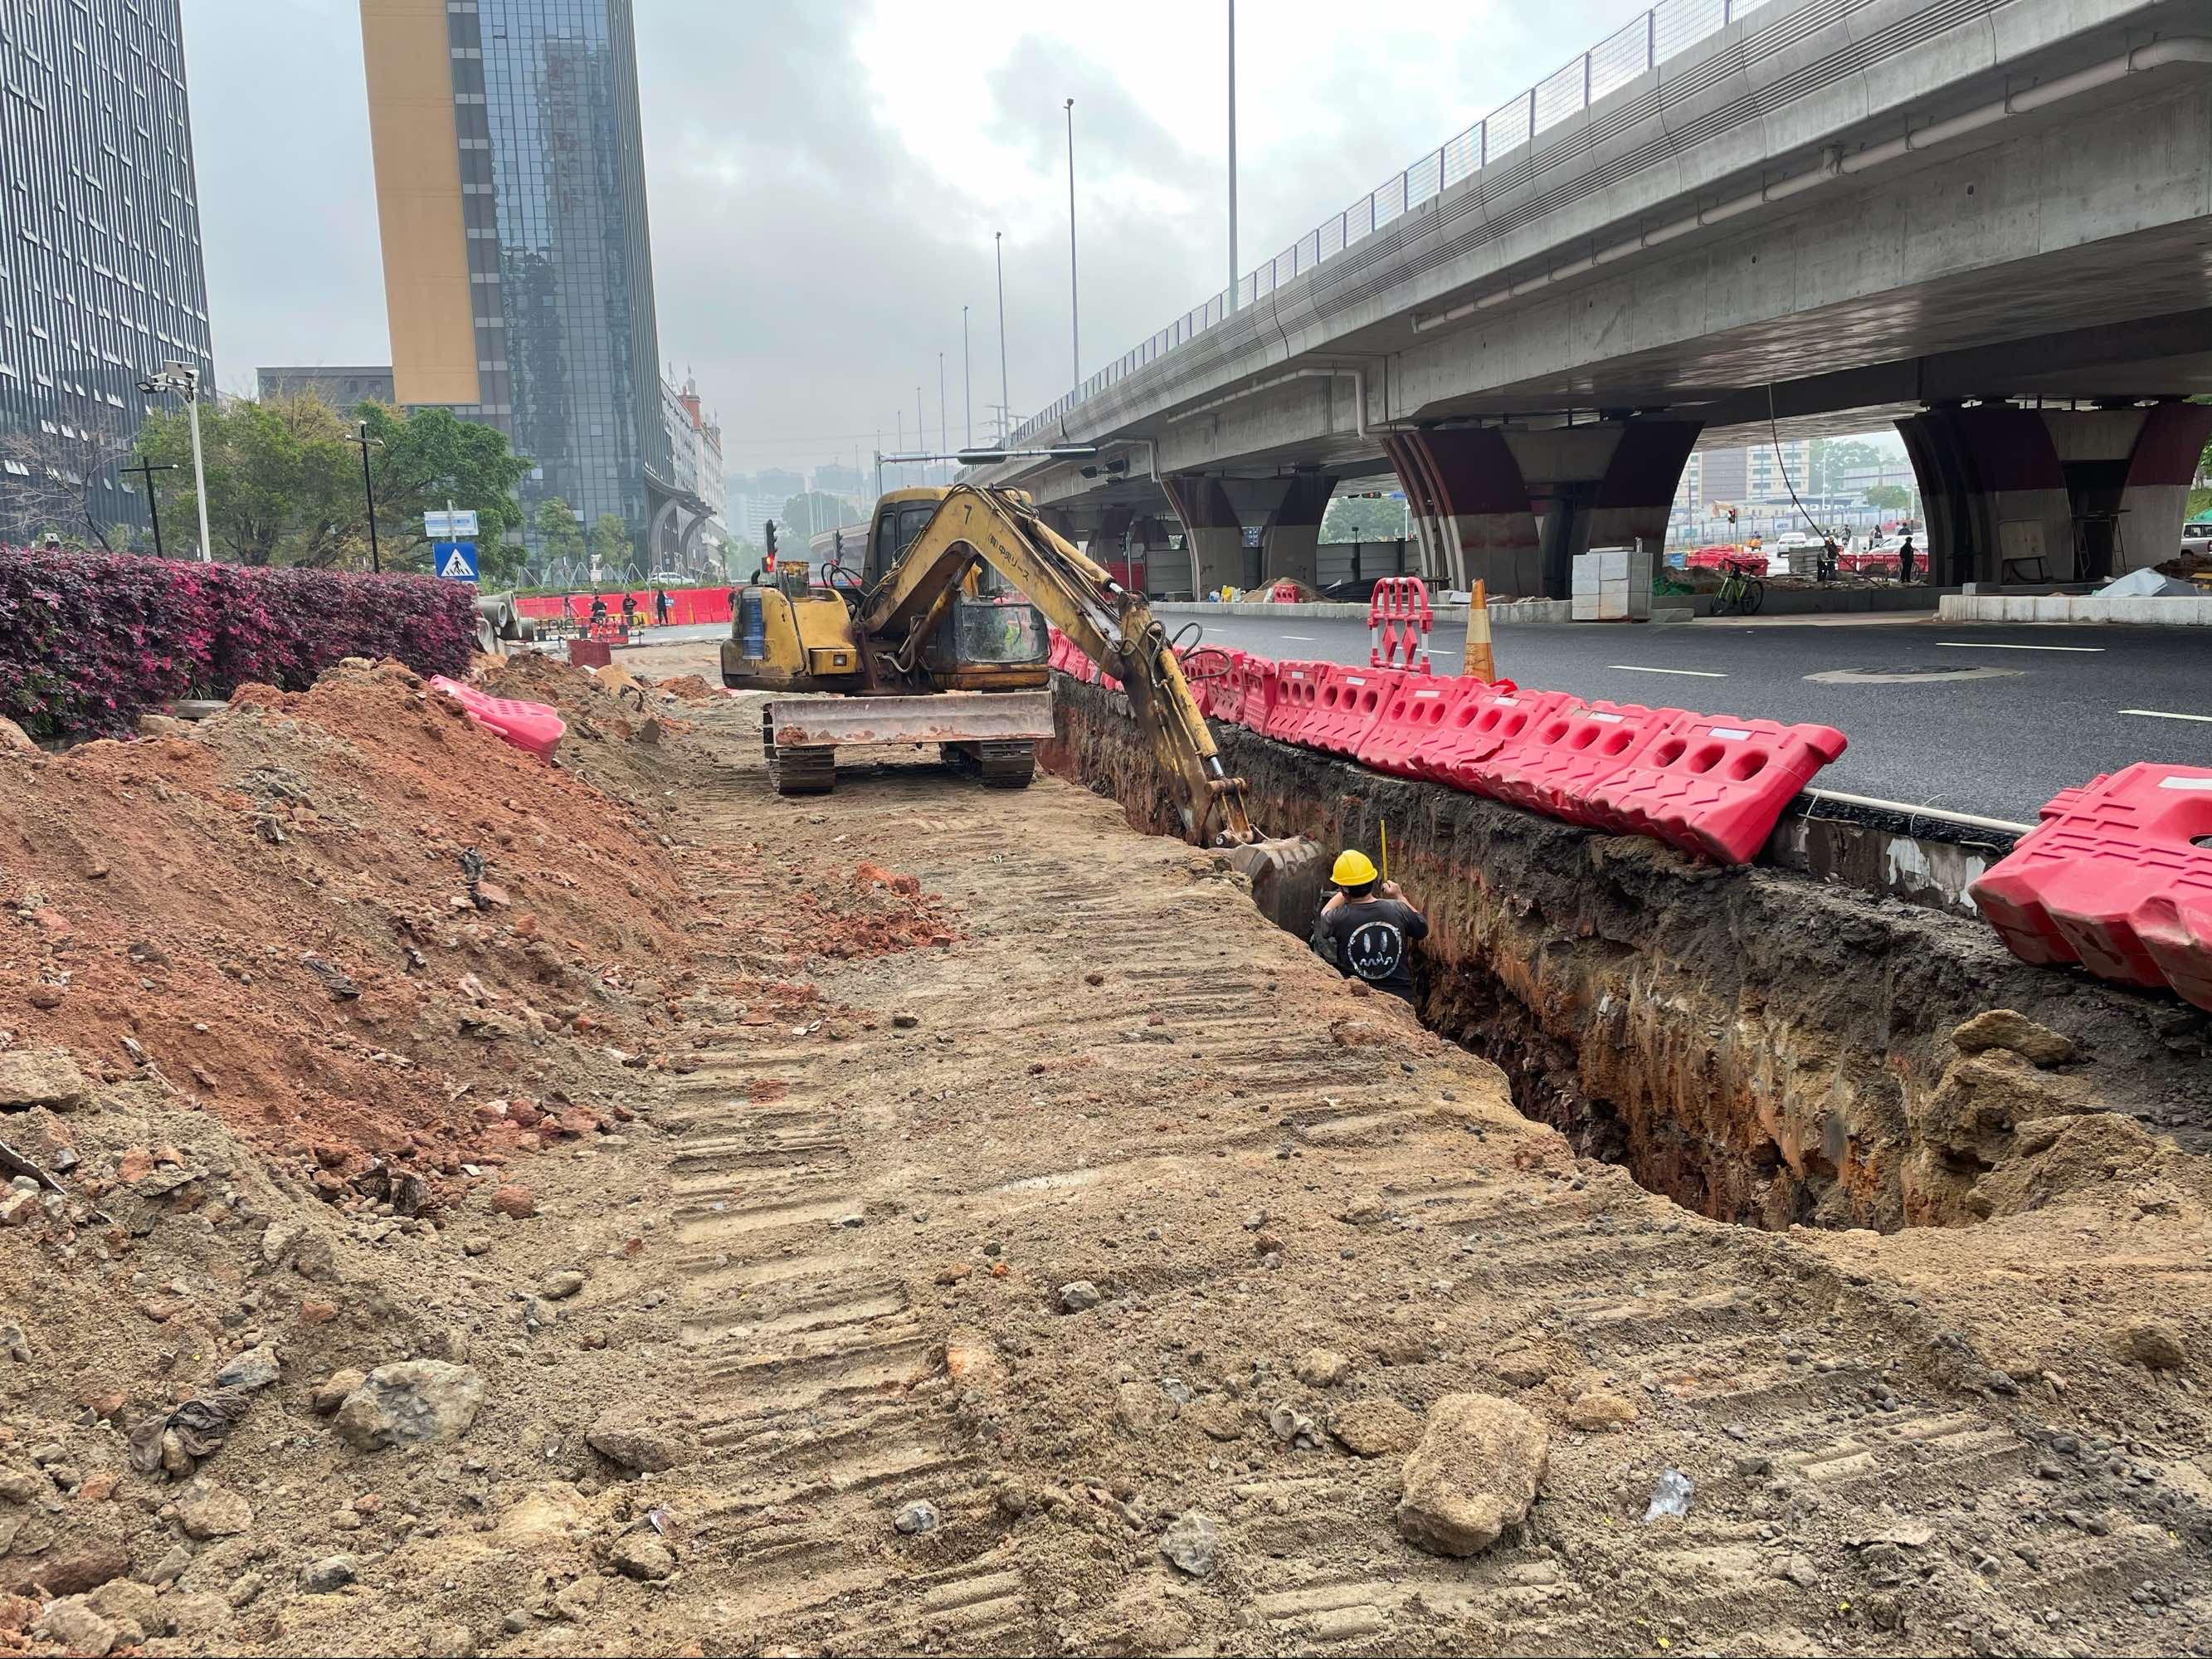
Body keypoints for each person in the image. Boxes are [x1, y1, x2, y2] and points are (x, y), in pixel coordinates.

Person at [1309, 849, 1429, 1004]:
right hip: (1401, 1000)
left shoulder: (1337, 918)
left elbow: (1324, 915)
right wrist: (1399, 896)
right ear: (1372, 882)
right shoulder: (1398, 909)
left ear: (1343, 890)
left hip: (1359, 1000)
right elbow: (1422, 928)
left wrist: (1344, 891)